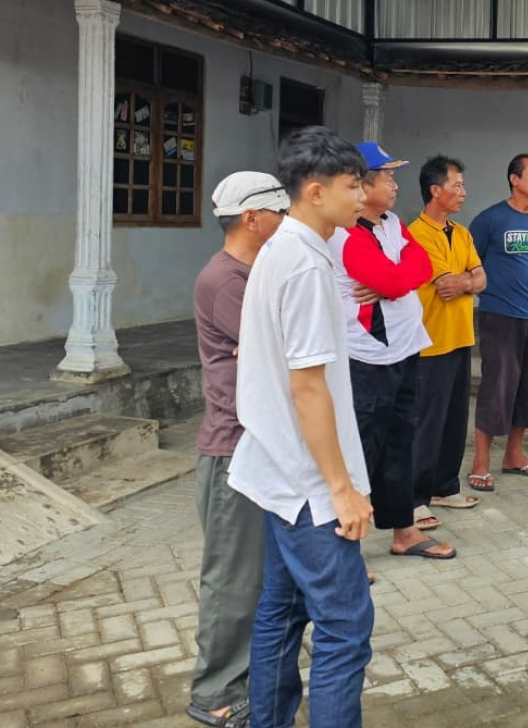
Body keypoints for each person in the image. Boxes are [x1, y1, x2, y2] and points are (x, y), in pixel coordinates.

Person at [228, 126, 376, 728]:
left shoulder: (284, 250)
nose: (362, 196)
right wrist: (341, 488)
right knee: (345, 625)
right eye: (352, 186)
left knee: (282, 612)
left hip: (277, 468)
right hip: (308, 484)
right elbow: (307, 386)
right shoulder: (306, 265)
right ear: (315, 191)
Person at [187, 171, 289, 728]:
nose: (284, 223)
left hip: (255, 447)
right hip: (233, 450)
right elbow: (279, 348)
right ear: (252, 219)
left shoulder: (249, 273)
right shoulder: (225, 280)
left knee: (255, 575)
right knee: (230, 579)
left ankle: (246, 678)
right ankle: (214, 694)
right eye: (278, 213)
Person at [327, 142, 455, 559]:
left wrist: (395, 279)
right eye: (388, 177)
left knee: (401, 440)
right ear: (361, 186)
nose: (395, 185)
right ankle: (346, 546)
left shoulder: (392, 223)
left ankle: (403, 531)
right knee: (363, 447)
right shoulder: (343, 234)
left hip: (403, 348)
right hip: (366, 356)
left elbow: (419, 269)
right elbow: (392, 278)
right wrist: (396, 279)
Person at [467, 153, 528, 491]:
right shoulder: (490, 220)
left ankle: (514, 456)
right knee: (496, 386)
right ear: (514, 179)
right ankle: (480, 462)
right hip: (498, 315)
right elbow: (470, 261)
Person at [408, 155, 485, 512]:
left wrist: (468, 282)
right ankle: (415, 497)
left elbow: (480, 280)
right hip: (430, 341)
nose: (463, 192)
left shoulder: (462, 232)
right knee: (427, 421)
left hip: (461, 338)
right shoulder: (417, 234)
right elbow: (444, 286)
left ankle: (444, 486)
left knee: (455, 419)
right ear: (435, 190)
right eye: (457, 185)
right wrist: (470, 281)